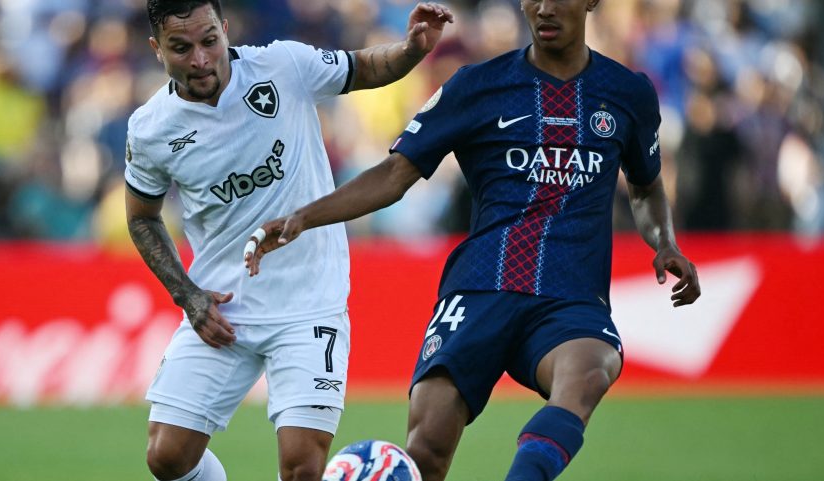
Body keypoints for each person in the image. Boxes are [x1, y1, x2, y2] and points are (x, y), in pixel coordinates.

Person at [245, 0, 701, 480]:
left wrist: (664, 241)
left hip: (571, 296)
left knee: (589, 372)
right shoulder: (476, 86)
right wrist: (303, 217)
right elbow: (396, 174)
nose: (543, 8)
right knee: (426, 451)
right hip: (483, 286)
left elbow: (646, 186)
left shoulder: (627, 93)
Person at [124, 1, 453, 481]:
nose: (200, 59)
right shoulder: (151, 129)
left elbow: (364, 66)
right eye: (181, 47)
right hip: (223, 307)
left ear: (225, 30)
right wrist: (187, 294)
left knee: (302, 467)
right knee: (167, 456)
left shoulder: (282, 66)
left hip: (309, 305)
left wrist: (409, 49)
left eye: (209, 41)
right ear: (157, 49)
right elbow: (142, 219)